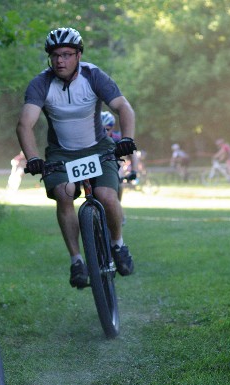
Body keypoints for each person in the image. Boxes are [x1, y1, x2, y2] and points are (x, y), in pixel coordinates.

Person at [16, 27, 137, 289]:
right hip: (61, 153)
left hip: (97, 147)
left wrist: (126, 138)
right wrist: (33, 157)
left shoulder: (94, 76)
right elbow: (24, 125)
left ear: (79, 55)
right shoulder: (41, 83)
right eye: (55, 55)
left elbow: (123, 107)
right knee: (64, 193)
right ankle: (77, 261)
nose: (60, 60)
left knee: (106, 197)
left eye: (67, 54)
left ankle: (118, 245)